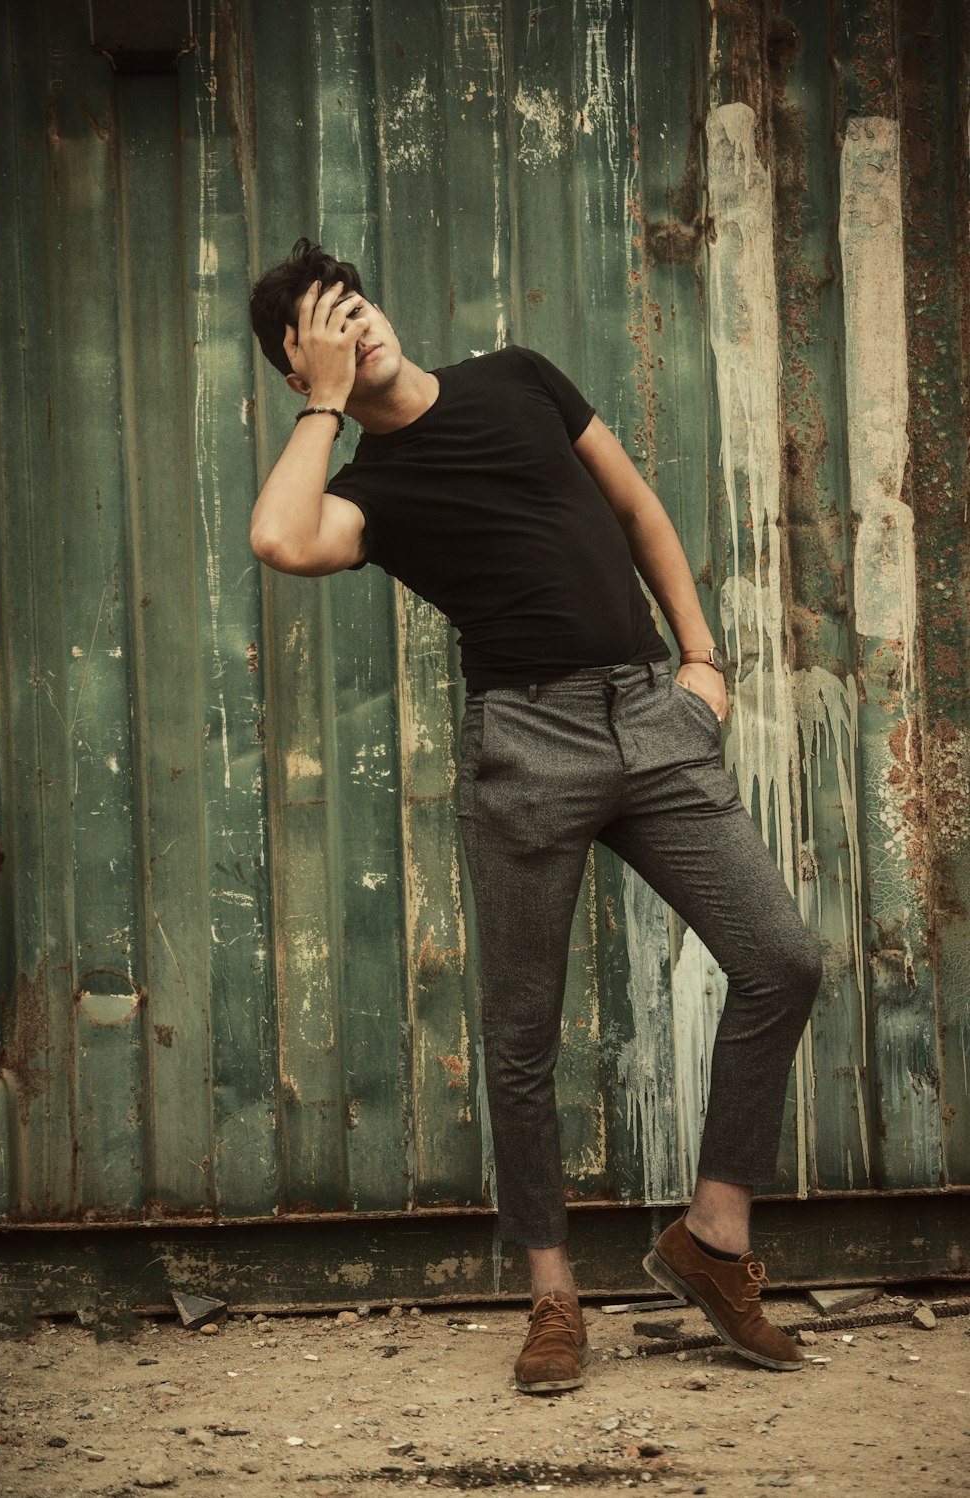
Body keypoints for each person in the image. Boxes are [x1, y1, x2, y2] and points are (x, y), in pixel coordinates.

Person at [248, 238, 824, 1393]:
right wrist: (321, 409)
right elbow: (279, 538)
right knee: (521, 1036)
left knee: (781, 959)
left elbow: (634, 505)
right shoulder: (367, 488)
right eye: (324, 331)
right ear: (301, 366)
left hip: (649, 715)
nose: (355, 331)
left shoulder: (517, 374)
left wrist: (702, 661)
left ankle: (712, 1239)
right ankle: (552, 1297)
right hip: (524, 746)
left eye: (355, 305)